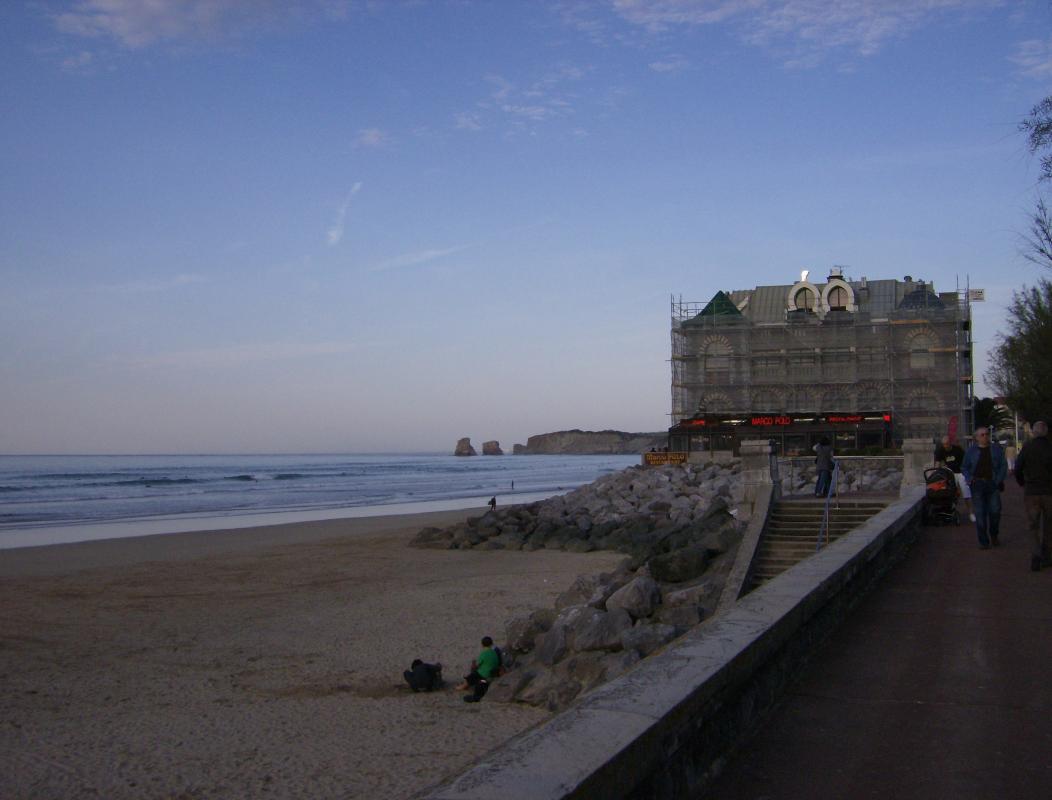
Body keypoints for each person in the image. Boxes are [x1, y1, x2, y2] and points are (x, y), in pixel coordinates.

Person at [962, 426, 1008, 549]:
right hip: (977, 484)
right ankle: (983, 541)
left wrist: (998, 480)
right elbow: (964, 467)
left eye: (987, 434)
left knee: (995, 512)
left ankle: (994, 534)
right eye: (982, 435)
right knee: (980, 514)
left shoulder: (996, 449)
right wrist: (969, 478)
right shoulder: (971, 451)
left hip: (992, 483)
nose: (985, 436)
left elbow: (1003, 466)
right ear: (977, 437)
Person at [1014, 420, 1052, 572]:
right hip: (1049, 491)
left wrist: (1022, 482)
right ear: (1046, 432)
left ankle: (1036, 556)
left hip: (1032, 491)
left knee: (1033, 526)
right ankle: (1047, 556)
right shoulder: (1050, 447)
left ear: (1034, 432)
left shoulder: (1027, 447)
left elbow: (1018, 468)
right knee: (1049, 526)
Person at [934, 434, 972, 522]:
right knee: (951, 492)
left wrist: (967, 472)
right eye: (944, 444)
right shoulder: (941, 450)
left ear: (950, 443)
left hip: (961, 472)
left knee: (966, 492)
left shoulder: (957, 449)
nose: (945, 446)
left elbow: (965, 461)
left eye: (947, 444)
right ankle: (952, 510)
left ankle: (971, 512)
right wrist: (936, 473)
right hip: (950, 473)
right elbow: (937, 463)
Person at [457, 635, 500, 703]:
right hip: (493, 673)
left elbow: (476, 665)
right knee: (476, 674)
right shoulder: (494, 653)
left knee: (473, 675)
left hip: (484, 675)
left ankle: (463, 686)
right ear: (491, 644)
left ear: (482, 644)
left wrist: (473, 663)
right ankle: (467, 684)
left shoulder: (484, 653)